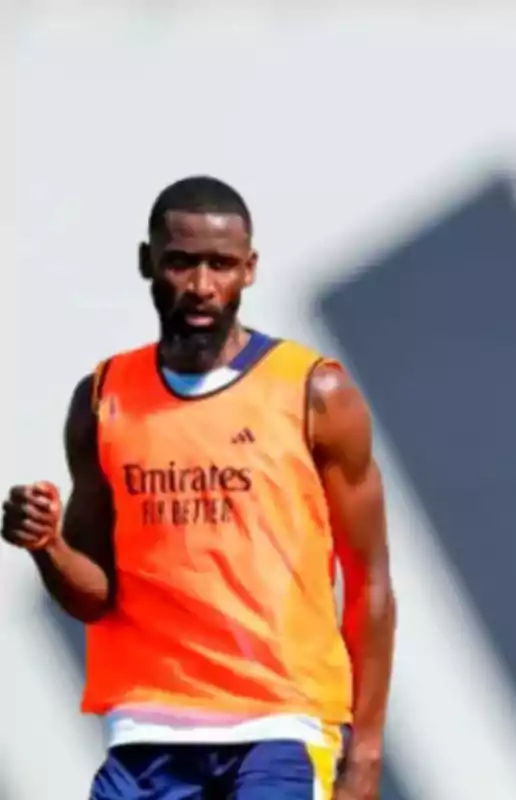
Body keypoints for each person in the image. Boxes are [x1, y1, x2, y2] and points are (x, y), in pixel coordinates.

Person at [1, 176, 396, 800]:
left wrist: (366, 753)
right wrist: (46, 544)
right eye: (181, 262)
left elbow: (369, 579)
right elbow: (92, 597)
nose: (202, 286)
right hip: (146, 732)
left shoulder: (315, 392)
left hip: (281, 724)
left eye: (222, 265)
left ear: (250, 269)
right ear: (147, 263)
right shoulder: (104, 399)